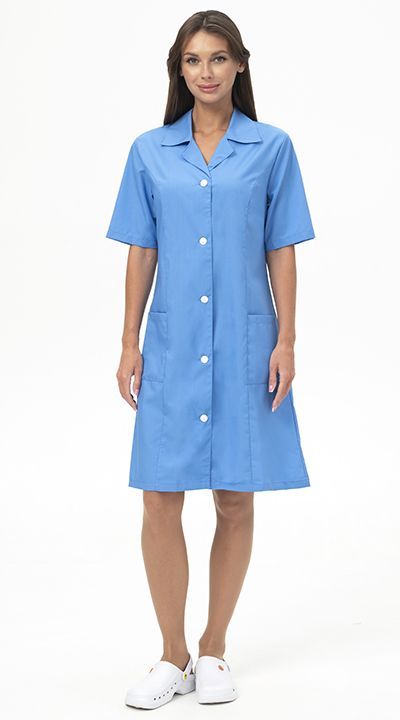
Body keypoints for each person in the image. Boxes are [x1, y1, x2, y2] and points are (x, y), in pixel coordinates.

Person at [105, 10, 316, 710]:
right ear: (179, 69)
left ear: (240, 65)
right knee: (159, 497)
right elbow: (142, 249)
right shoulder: (149, 152)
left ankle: (214, 647)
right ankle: (172, 655)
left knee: (235, 495)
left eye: (219, 58)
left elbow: (281, 246)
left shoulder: (271, 147)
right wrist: (129, 340)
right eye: (193, 60)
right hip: (171, 345)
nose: (206, 72)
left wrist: (286, 339)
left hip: (245, 344)